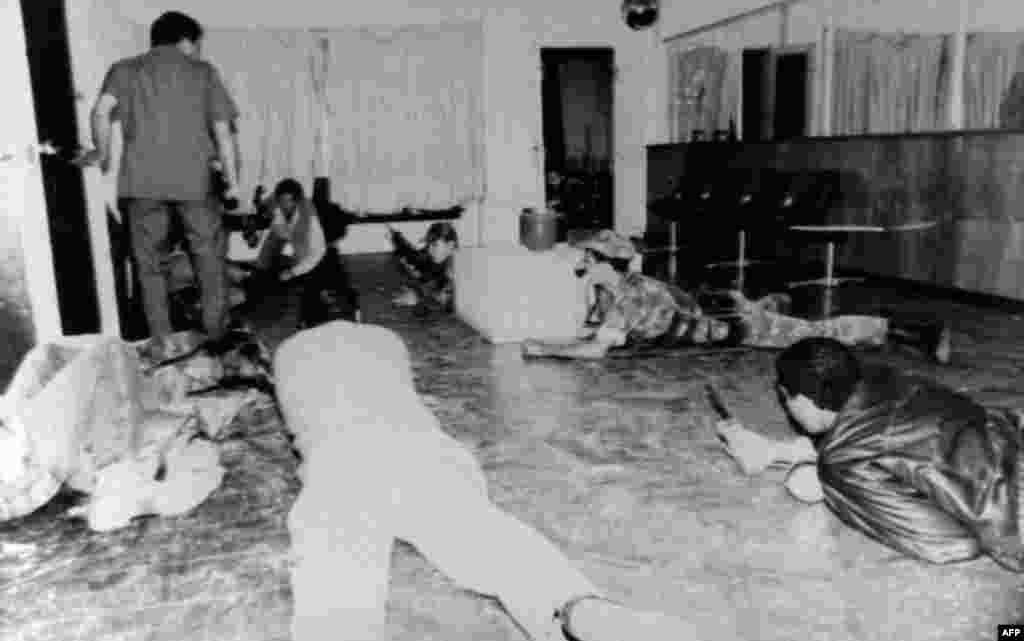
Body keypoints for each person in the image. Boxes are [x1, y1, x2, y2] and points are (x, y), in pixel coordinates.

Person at [275, 320, 708, 641]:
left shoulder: (288, 355)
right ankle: (577, 611)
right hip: (421, 450)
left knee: (336, 572)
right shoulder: (385, 341)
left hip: (344, 461)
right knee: (488, 540)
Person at [715, 337, 1023, 572]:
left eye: (786, 399)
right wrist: (776, 452)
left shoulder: (841, 464)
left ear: (805, 400)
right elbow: (897, 436)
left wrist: (835, 489)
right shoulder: (889, 380)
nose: (786, 408)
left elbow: (952, 545)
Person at [521, 230, 950, 363]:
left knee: (818, 333)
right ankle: (768, 302)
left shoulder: (631, 294)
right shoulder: (618, 290)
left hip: (740, 326)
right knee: (785, 319)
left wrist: (544, 349)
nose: (580, 265)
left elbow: (596, 350)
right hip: (722, 310)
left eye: (587, 259)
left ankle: (916, 333)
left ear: (603, 264)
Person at [79, 11, 241, 359]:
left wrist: (102, 154)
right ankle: (215, 336)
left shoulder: (124, 69)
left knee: (149, 265)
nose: (197, 51)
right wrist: (233, 181)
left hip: (141, 183)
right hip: (193, 182)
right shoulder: (202, 72)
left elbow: (99, 112)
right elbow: (224, 132)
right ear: (184, 40)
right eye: (196, 44)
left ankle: (162, 341)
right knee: (208, 258)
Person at [254, 178, 360, 328]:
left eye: (288, 201)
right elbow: (268, 207)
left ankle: (342, 312)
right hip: (298, 245)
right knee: (273, 269)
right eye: (281, 201)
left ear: (297, 201)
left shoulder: (310, 220)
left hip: (321, 249)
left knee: (323, 279)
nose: (284, 205)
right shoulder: (275, 205)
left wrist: (293, 272)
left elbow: (316, 254)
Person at [388, 221, 458, 315]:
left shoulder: (455, 268)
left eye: (434, 245)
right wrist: (395, 235)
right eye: (428, 245)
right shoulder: (436, 258)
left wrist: (418, 299)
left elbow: (448, 305)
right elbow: (413, 255)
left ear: (450, 245)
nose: (430, 250)